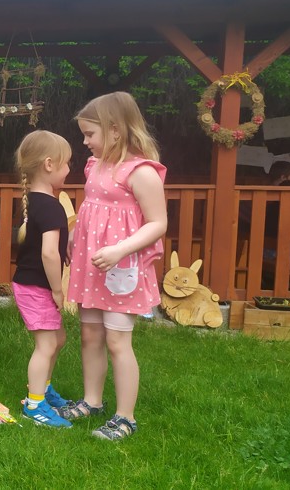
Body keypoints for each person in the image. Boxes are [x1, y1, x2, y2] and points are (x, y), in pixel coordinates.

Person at [63, 91, 168, 441]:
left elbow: (157, 223)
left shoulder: (141, 172)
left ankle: (125, 417)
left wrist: (120, 249)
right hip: (92, 267)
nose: (85, 141)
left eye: (89, 134)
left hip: (121, 267)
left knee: (118, 342)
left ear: (115, 130)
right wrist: (74, 236)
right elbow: (91, 209)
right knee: (90, 335)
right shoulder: (95, 166)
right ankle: (92, 401)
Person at [11, 130, 73, 427]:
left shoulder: (35, 202)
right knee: (46, 345)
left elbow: (46, 245)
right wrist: (57, 290)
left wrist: (65, 247)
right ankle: (34, 405)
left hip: (30, 284)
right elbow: (48, 253)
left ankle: (44, 389)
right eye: (66, 163)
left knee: (57, 339)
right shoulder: (51, 205)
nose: (69, 169)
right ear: (49, 164)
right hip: (38, 287)